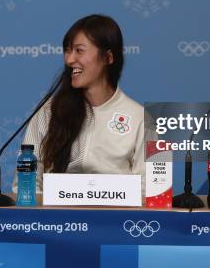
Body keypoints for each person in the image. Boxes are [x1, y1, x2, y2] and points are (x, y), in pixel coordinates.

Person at [17, 14, 146, 193]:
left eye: (79, 50)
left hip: (118, 220)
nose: (69, 60)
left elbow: (150, 189)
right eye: (67, 51)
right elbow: (27, 184)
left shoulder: (140, 117)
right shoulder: (48, 111)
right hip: (57, 219)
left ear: (108, 57)